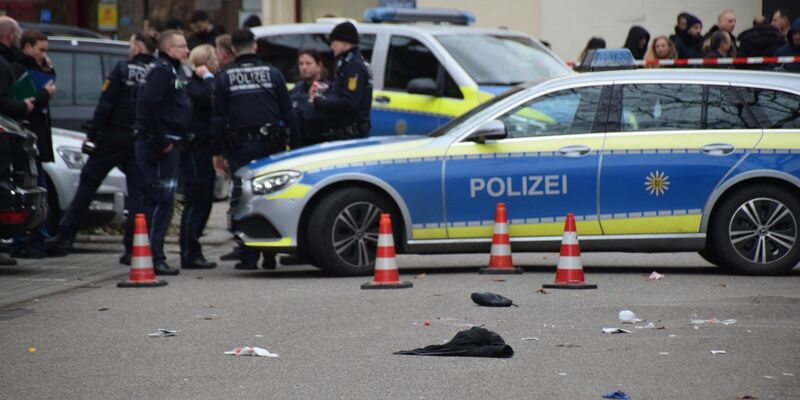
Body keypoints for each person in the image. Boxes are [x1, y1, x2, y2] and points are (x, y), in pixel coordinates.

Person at [46, 31, 156, 263]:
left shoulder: (122, 69)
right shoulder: (156, 71)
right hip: (138, 139)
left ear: (137, 47)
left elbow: (105, 104)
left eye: (130, 44)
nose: (129, 49)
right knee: (137, 193)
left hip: (113, 136)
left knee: (88, 182)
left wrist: (92, 135)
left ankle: (65, 235)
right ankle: (133, 247)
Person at [210, 28, 294, 270]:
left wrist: (216, 153)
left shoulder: (225, 77)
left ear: (234, 48)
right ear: (254, 46)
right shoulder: (274, 73)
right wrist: (296, 148)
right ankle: (270, 254)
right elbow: (289, 113)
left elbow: (217, 120)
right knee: (273, 195)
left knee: (243, 198)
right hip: (272, 146)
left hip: (241, 148)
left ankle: (248, 256)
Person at [133, 30, 191, 275]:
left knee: (161, 201)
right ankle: (154, 257)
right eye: (182, 46)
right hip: (158, 146)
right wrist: (161, 140)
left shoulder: (171, 70)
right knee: (160, 200)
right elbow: (149, 104)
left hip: (167, 143)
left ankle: (153, 254)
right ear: (169, 49)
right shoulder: (161, 70)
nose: (187, 50)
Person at [9, 29, 57, 259]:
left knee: (40, 187)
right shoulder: (18, 68)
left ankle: (39, 238)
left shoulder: (37, 68)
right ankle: (23, 241)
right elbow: (24, 102)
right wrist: (44, 94)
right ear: (27, 47)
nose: (44, 54)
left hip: (37, 138)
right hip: (25, 138)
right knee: (31, 187)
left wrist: (49, 72)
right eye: (41, 50)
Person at [178, 44, 219, 270]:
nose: (218, 64)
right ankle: (189, 251)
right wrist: (209, 77)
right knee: (196, 201)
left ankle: (193, 249)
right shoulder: (196, 86)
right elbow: (213, 96)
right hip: (195, 150)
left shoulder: (200, 84)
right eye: (214, 60)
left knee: (204, 201)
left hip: (204, 149)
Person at [309, 21, 372, 140]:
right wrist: (323, 91)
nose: (331, 47)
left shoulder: (354, 66)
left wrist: (320, 103)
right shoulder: (348, 62)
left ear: (345, 42)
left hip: (350, 133)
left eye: (333, 42)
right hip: (345, 131)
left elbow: (350, 102)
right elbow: (340, 91)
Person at [290, 49, 331, 148]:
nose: (304, 67)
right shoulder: (296, 90)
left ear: (319, 66)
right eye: (301, 64)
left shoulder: (329, 89)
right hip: (299, 145)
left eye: (308, 63)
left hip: (321, 145)